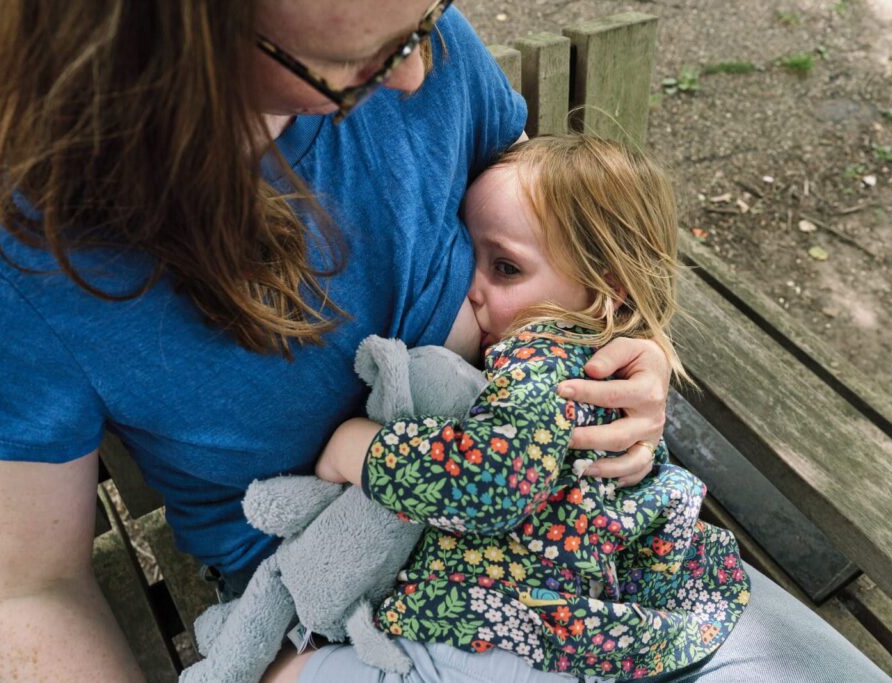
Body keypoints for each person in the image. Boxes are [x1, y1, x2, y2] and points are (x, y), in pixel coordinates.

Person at [0, 1, 890, 682]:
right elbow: (30, 587)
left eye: (426, 21)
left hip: (571, 537)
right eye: (361, 64)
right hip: (347, 607)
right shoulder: (2, 253)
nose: (415, 77)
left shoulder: (416, 47)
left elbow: (559, 241)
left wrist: (629, 358)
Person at [316, 134, 752, 680]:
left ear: (605, 290)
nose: (469, 287)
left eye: (505, 268)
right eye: (465, 253)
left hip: (510, 632)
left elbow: (489, 483)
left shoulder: (542, 360)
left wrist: (355, 449)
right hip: (588, 613)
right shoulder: (598, 353)